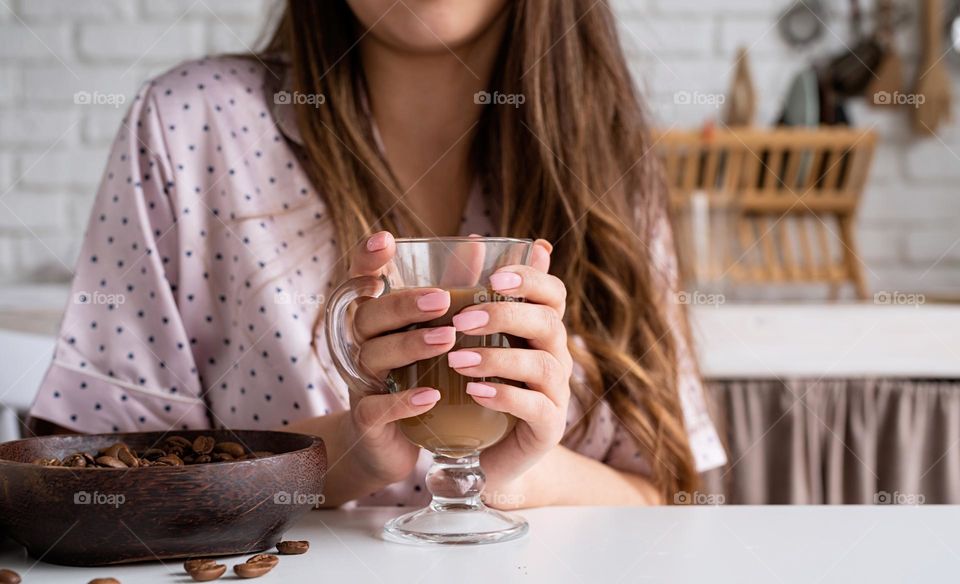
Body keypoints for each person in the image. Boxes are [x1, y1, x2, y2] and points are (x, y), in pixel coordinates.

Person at [28, 0, 725, 507]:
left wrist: (519, 473)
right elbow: (94, 491)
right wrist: (348, 455)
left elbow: (665, 500)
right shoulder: (190, 124)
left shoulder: (606, 157)